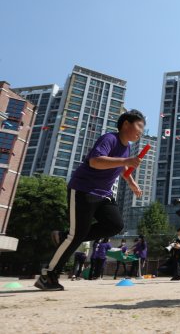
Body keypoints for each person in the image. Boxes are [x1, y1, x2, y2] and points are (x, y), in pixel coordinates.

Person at [35, 110, 146, 291]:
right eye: (139, 126)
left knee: (114, 225)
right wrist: (126, 160)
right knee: (76, 235)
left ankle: (64, 237)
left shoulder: (126, 147)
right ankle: (48, 276)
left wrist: (132, 182)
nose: (141, 131)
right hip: (83, 190)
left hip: (104, 194)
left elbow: (122, 166)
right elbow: (95, 161)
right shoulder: (109, 139)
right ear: (126, 124)